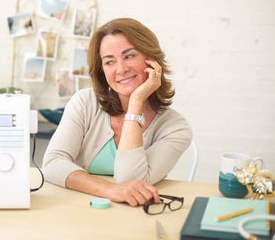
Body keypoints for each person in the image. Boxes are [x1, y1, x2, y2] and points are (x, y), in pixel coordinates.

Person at [42, 18, 192, 207]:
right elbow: (52, 164)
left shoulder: (175, 129)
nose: (121, 69)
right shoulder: (85, 102)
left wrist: (136, 102)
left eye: (129, 56)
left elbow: (130, 180)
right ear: (102, 70)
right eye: (109, 62)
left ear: (151, 59)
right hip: (76, 210)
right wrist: (110, 190)